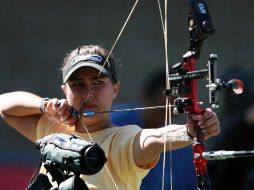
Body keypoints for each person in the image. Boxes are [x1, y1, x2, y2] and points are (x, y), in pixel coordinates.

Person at [0, 44, 220, 190]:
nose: (88, 93)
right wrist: (43, 105)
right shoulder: (54, 129)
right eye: (78, 85)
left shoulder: (122, 140)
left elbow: (151, 140)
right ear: (64, 90)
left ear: (115, 89)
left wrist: (189, 131)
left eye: (98, 83)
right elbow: (4, 106)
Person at [111, 69, 197, 190]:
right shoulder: (112, 123)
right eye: (161, 109)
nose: (167, 117)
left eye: (173, 112)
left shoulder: (183, 146)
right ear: (145, 97)